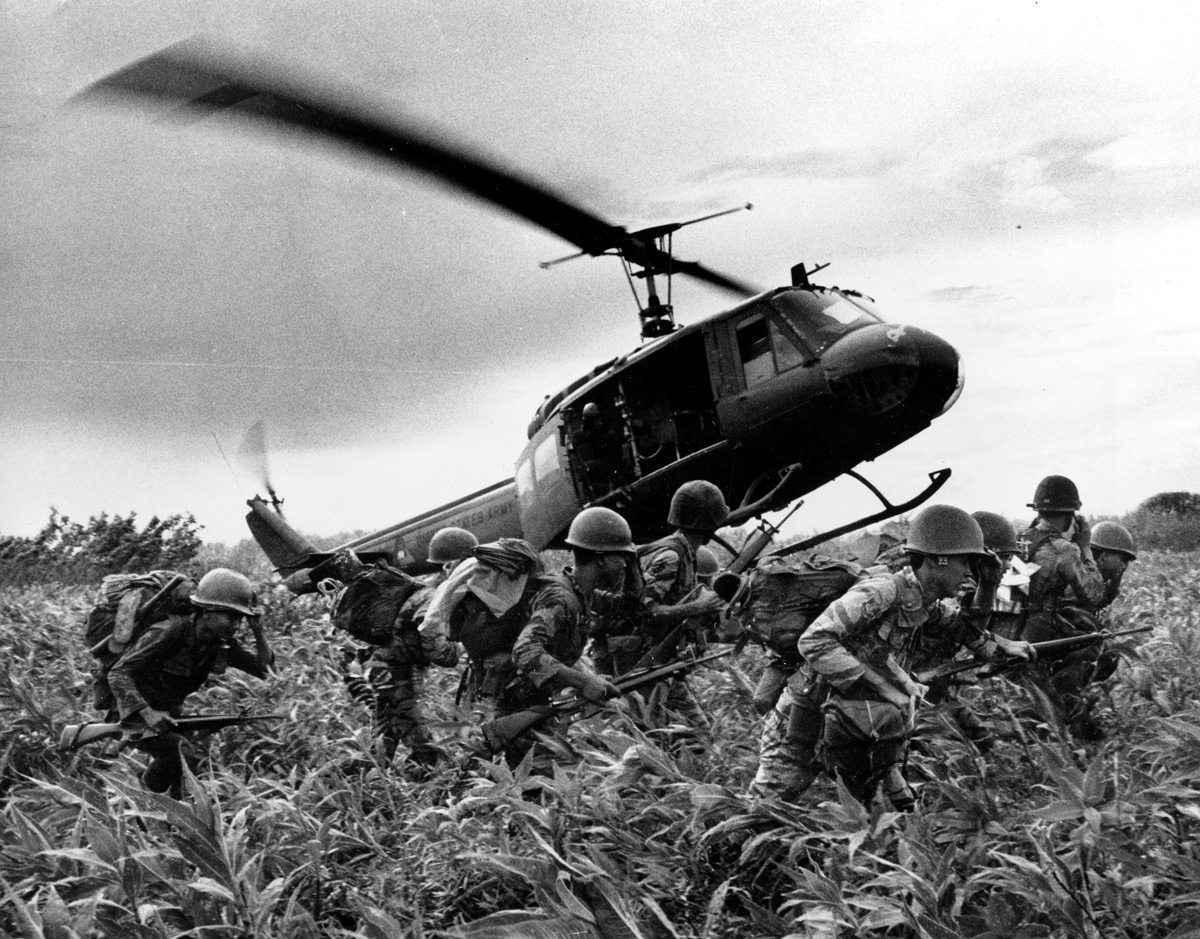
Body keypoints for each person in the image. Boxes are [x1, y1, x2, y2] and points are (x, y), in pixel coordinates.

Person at [749, 506, 1034, 809]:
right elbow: (815, 640)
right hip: (806, 718)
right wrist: (882, 686)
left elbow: (963, 630)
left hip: (855, 722)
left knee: (878, 813)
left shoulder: (922, 600)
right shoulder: (882, 591)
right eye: (964, 561)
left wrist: (999, 633)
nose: (968, 572)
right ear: (938, 560)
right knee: (762, 812)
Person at [102, 568, 274, 796]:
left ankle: (174, 818)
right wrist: (147, 712)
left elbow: (266, 670)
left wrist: (259, 632)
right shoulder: (169, 631)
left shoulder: (219, 644)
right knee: (182, 752)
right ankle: (142, 801)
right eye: (231, 616)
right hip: (131, 715)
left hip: (168, 717)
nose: (236, 625)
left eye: (241, 618)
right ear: (207, 611)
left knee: (191, 764)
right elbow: (119, 673)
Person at [491, 507, 629, 763]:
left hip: (536, 704)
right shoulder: (561, 599)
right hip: (520, 707)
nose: (624, 564)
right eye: (621, 556)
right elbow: (525, 651)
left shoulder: (580, 595)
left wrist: (586, 679)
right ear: (601, 558)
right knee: (547, 786)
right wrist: (584, 682)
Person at [357, 527, 476, 769]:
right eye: (466, 564)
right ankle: (426, 780)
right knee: (416, 736)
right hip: (390, 671)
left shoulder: (429, 590)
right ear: (449, 566)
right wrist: (465, 648)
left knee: (386, 734)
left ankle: (363, 783)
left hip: (387, 667)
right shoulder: (434, 598)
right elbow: (435, 649)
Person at [1016, 475, 1108, 736]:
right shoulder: (1063, 549)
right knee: (1094, 640)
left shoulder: (1019, 539)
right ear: (1071, 517)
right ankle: (1068, 703)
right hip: (1037, 628)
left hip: (1010, 625)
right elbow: (1093, 595)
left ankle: (1051, 698)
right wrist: (1085, 546)